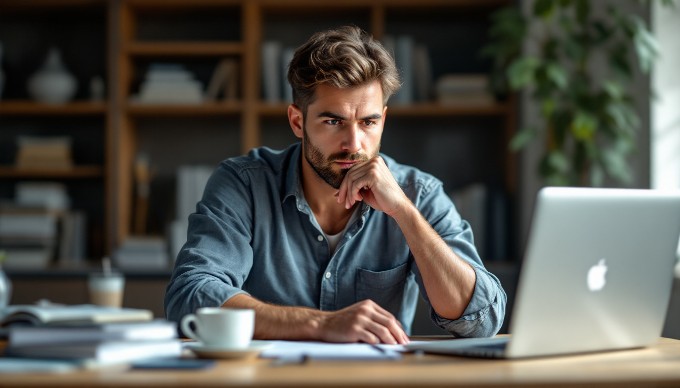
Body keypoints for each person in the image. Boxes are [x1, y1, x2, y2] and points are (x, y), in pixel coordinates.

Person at [165, 26, 506, 344]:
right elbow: (191, 297)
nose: (354, 144)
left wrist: (404, 212)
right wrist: (320, 324)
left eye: (368, 122)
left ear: (383, 120)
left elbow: (481, 319)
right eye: (333, 121)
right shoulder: (244, 184)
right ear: (298, 122)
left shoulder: (419, 193)